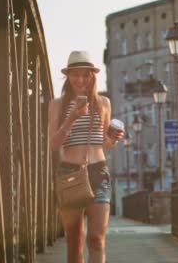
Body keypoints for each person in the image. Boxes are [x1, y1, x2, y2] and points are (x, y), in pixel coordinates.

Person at [48, 50, 124, 263]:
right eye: (75, 75)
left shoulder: (103, 103)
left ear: (93, 75)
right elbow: (53, 144)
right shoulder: (58, 105)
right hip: (70, 175)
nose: (80, 80)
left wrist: (113, 138)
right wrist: (71, 118)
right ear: (68, 76)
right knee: (74, 243)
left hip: (98, 173)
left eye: (85, 74)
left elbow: (103, 144)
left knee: (96, 239)